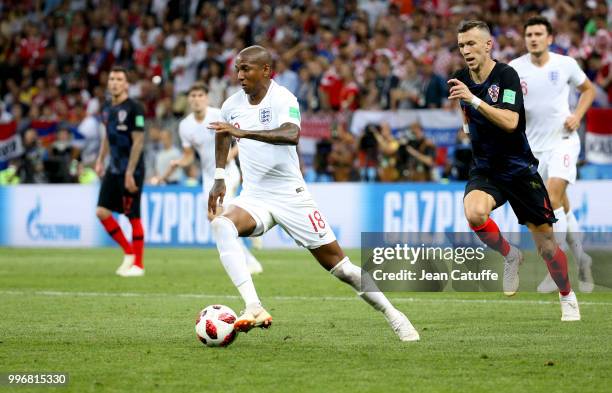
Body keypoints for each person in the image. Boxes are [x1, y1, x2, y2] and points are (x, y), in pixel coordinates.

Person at [207, 45, 419, 341]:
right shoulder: (232, 105)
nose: (240, 75)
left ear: (266, 70)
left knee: (342, 269)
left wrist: (245, 132)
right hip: (254, 196)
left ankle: (395, 315)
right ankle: (253, 306)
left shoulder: (283, 98)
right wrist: (219, 176)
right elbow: (222, 132)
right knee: (221, 223)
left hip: (291, 196)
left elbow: (291, 134)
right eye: (237, 69)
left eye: (246, 69)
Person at [448, 20, 580, 321]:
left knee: (547, 247)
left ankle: (567, 295)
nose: (466, 50)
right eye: (461, 46)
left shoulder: (506, 75)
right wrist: (467, 117)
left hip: (519, 169)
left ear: (487, 45)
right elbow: (465, 117)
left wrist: (473, 99)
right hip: (486, 169)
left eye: (471, 44)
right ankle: (510, 254)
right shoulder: (460, 78)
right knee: (474, 213)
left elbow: (510, 122)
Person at [509, 16, 596, 293]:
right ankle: (583, 259)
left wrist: (578, 115)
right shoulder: (514, 69)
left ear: (549, 38)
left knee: (553, 197)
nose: (533, 38)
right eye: (529, 34)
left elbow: (588, 90)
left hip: (563, 141)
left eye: (538, 33)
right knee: (563, 207)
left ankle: (554, 268)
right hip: (532, 150)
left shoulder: (565, 64)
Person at [151, 82, 263, 274]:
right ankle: (251, 236)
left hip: (227, 173)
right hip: (208, 176)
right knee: (215, 219)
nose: (196, 99)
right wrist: (178, 163)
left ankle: (251, 238)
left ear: (207, 98)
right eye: (192, 96)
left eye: (200, 95)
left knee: (219, 216)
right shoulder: (185, 126)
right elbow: (188, 156)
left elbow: (241, 139)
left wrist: (230, 154)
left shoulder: (219, 115)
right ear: (189, 100)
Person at [95, 66, 146, 277]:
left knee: (132, 216)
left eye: (119, 79)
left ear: (126, 84)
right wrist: (100, 160)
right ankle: (128, 253)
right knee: (102, 211)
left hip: (131, 170)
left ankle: (139, 265)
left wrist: (130, 172)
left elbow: (138, 141)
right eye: (112, 78)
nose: (114, 82)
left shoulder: (135, 108)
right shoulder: (107, 108)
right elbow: (107, 136)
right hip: (113, 168)